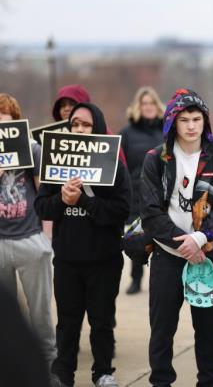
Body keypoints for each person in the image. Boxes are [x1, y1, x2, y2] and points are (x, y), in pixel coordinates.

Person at [140, 88, 213, 387]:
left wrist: (201, 238)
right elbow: (150, 212)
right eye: (184, 120)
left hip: (207, 255)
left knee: (207, 330)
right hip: (168, 256)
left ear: (205, 121)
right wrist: (186, 242)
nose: (192, 126)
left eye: (197, 119)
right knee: (162, 328)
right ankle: (161, 382)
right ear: (172, 123)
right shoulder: (156, 159)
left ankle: (209, 381)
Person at [35, 102, 131, 387]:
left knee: (102, 322)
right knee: (67, 322)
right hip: (67, 257)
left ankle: (103, 371)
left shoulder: (114, 164)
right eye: (75, 124)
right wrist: (61, 201)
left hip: (104, 258)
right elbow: (41, 207)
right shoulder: (56, 162)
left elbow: (121, 210)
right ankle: (63, 373)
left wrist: (84, 201)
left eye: (86, 125)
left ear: (97, 127)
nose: (79, 129)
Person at [0, 93, 57, 368]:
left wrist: (46, 238)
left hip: (30, 238)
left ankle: (48, 365)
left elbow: (43, 191)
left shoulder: (32, 149)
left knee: (40, 311)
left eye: (5, 122)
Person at [120, 86, 165, 295]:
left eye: (151, 103)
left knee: (163, 236)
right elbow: (121, 166)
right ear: (138, 107)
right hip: (136, 193)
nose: (148, 107)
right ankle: (135, 279)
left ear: (158, 106)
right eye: (144, 103)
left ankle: (162, 281)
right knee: (137, 238)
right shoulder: (127, 133)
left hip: (162, 193)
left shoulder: (167, 131)